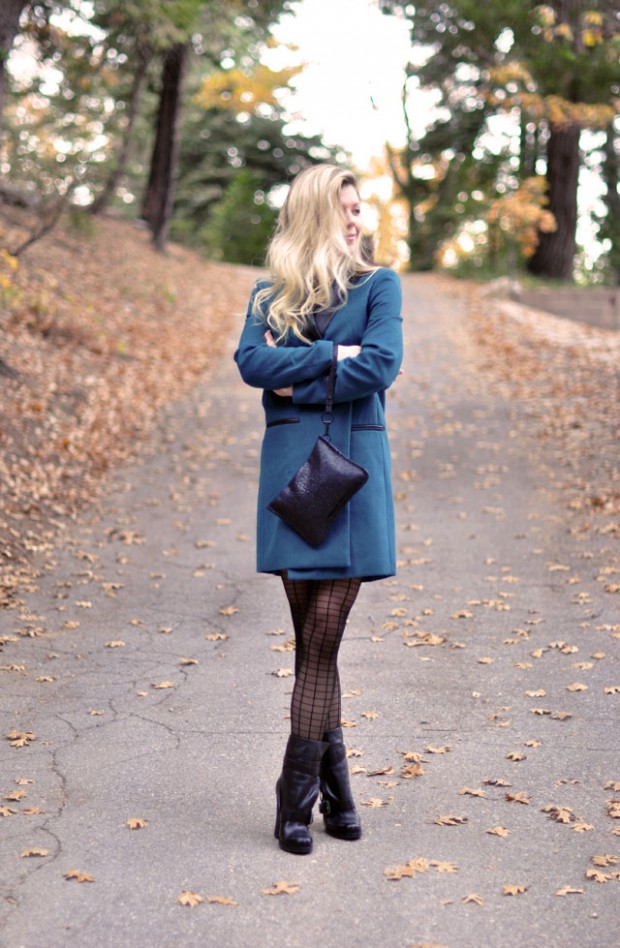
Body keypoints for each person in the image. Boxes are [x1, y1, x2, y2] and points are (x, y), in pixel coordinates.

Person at [234, 164, 403, 855]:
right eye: (346, 209)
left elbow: (382, 365)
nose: (358, 219)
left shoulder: (379, 286)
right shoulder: (268, 294)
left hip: (354, 480)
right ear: (314, 216)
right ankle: (338, 792)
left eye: (360, 208)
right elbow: (251, 364)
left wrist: (295, 376)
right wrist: (336, 355)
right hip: (293, 480)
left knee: (323, 637)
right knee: (311, 645)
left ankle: (291, 797)